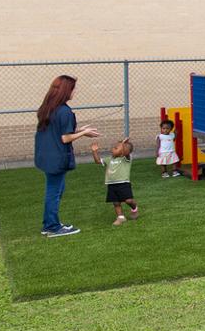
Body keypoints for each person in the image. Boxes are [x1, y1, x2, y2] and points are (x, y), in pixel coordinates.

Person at [34, 74, 100, 237]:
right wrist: (83, 132)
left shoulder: (48, 107)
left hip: (46, 155)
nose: (74, 92)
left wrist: (78, 131)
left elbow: (58, 132)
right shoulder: (65, 111)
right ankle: (52, 227)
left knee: (57, 189)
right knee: (54, 191)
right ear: (66, 91)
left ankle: (49, 223)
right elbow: (65, 138)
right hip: (56, 157)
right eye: (73, 89)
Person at [91, 138, 141, 226]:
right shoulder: (109, 159)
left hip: (124, 183)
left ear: (122, 152)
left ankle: (134, 209)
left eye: (116, 148)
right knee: (116, 202)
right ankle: (120, 217)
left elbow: (126, 152)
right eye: (114, 147)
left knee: (128, 200)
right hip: (111, 184)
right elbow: (97, 161)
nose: (113, 148)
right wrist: (94, 151)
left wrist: (122, 144)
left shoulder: (125, 159)